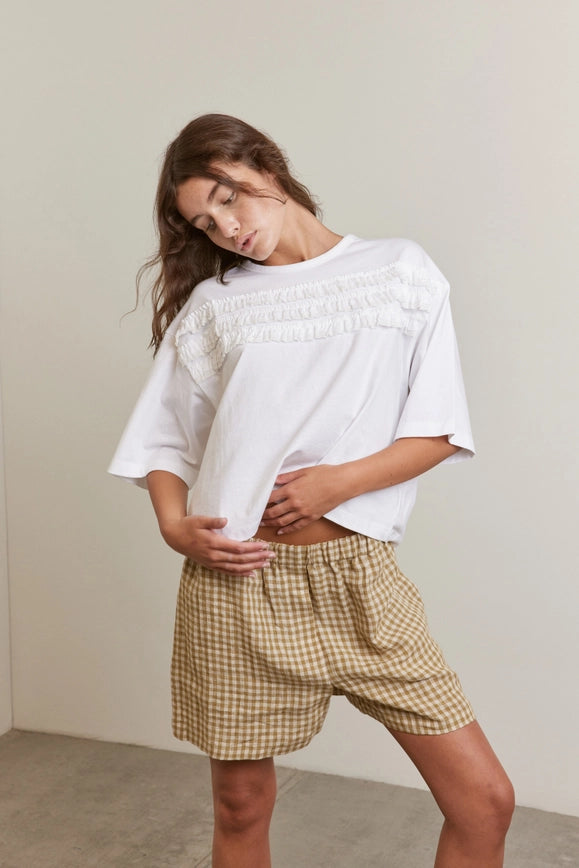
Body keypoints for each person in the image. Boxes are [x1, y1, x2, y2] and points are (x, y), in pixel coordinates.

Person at [109, 113, 514, 867]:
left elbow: (439, 430)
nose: (228, 228)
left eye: (229, 198)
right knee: (239, 806)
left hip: (359, 579)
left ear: (266, 166)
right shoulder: (216, 304)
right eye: (206, 224)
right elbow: (161, 441)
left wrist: (337, 484)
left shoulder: (398, 271)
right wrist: (172, 524)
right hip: (237, 584)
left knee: (484, 800)